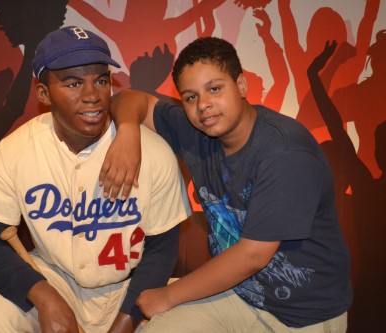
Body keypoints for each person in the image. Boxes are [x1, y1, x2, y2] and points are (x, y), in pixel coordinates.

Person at [100, 36, 352, 332]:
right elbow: (130, 99)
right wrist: (128, 133)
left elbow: (253, 255)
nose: (203, 105)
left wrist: (168, 295)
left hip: (302, 313)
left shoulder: (286, 152)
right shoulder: (196, 132)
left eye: (215, 89)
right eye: (190, 97)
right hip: (238, 293)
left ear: (242, 86)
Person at [0, 26, 191, 333]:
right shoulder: (15, 151)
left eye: (100, 80)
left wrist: (125, 323)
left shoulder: (150, 151)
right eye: (73, 83)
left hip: (131, 288)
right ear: (44, 94)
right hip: (52, 278)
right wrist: (46, 298)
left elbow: (162, 251)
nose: (92, 96)